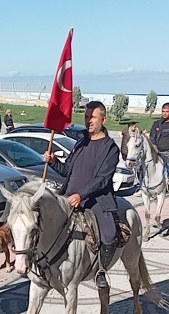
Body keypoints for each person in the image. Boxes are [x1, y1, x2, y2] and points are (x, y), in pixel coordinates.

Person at [44, 101, 120, 289]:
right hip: (68, 196)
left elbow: (103, 179)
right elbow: (67, 169)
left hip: (96, 200)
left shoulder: (110, 148)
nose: (88, 121)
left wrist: (82, 194)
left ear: (104, 118)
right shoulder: (81, 142)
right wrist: (53, 162)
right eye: (86, 117)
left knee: (110, 234)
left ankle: (101, 270)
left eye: (92, 117)